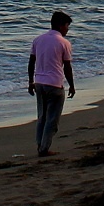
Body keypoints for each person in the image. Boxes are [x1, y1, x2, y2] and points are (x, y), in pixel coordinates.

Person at [27, 12, 75, 156]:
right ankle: (44, 148)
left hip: (39, 82)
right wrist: (71, 85)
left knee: (42, 117)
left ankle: (40, 145)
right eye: (67, 26)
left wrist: (31, 81)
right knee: (52, 119)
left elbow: (31, 62)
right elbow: (67, 67)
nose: (67, 29)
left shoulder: (38, 40)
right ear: (60, 26)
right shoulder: (64, 43)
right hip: (54, 83)